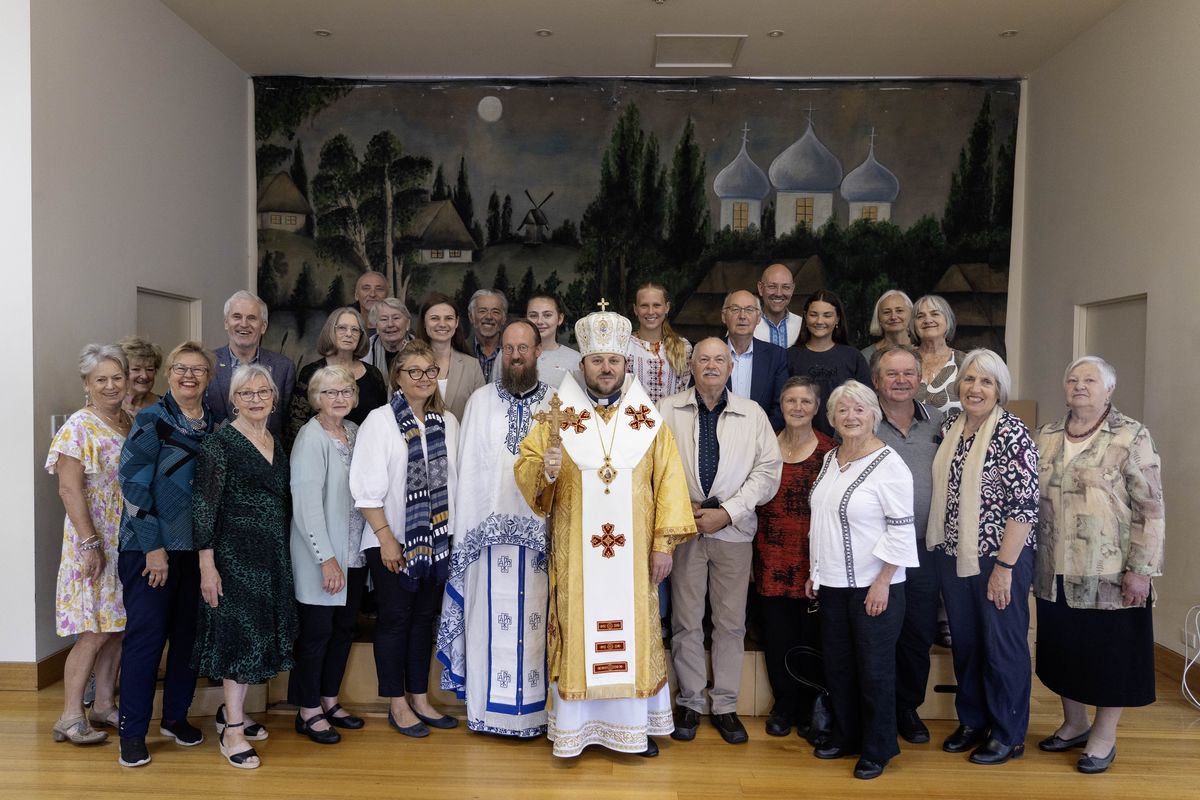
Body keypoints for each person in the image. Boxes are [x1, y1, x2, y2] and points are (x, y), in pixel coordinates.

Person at [514, 306, 696, 758]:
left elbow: (669, 483)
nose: (606, 368)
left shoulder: (648, 421)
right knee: (579, 632)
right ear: (583, 365)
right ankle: (577, 730)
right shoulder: (555, 415)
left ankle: (633, 729)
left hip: (634, 559)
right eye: (598, 361)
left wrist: (663, 545)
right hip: (577, 556)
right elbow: (528, 468)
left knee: (635, 633)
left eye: (614, 360)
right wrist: (547, 472)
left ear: (625, 364)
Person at [1033, 356, 1164, 774]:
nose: (1079, 385)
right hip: (1054, 568)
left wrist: (1141, 569)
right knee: (1064, 651)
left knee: (1111, 657)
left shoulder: (1131, 435)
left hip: (1110, 569)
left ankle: (1104, 737)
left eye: (1090, 379)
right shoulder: (1047, 434)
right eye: (1072, 378)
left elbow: (1151, 507)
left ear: (1109, 389)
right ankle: (1074, 723)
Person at [659, 338, 782, 745]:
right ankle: (692, 702)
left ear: (731, 367)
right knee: (686, 620)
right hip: (685, 528)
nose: (711, 366)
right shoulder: (667, 410)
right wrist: (684, 512)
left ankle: (726, 705)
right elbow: (654, 469)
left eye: (719, 360)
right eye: (703, 359)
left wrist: (728, 512)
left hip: (734, 529)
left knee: (730, 623)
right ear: (690, 366)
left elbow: (766, 472)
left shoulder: (752, 413)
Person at [437, 320, 552, 738]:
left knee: (537, 624)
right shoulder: (481, 401)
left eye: (523, 347)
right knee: (488, 624)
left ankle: (538, 717)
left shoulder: (557, 404)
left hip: (539, 540)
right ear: (501, 352)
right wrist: (464, 536)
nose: (516, 355)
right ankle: (487, 714)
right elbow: (468, 471)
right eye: (508, 348)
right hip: (485, 542)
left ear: (538, 351)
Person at [928, 349, 1039, 766]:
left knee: (1003, 646)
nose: (976, 388)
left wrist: (1006, 569)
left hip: (999, 559)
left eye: (986, 382)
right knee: (968, 645)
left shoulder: (1012, 433)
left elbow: (1024, 508)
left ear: (1000, 390)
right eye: (970, 380)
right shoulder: (951, 427)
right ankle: (973, 721)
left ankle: (1008, 733)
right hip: (954, 557)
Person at [807, 380, 918, 780]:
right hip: (832, 584)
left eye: (859, 410)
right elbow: (821, 521)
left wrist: (884, 581)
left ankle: (878, 747)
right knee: (838, 666)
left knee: (874, 670)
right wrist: (815, 571)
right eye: (842, 410)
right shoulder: (831, 458)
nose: (850, 417)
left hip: (875, 586)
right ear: (832, 417)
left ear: (874, 414)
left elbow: (902, 529)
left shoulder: (890, 464)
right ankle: (846, 735)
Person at [350, 339, 460, 738]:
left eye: (431, 371)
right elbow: (365, 490)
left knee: (423, 620)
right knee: (395, 620)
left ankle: (420, 696)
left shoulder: (447, 423)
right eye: (414, 371)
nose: (424, 378)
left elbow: (455, 483)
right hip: (391, 540)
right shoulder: (380, 421)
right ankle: (396, 702)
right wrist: (387, 539)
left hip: (435, 544)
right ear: (398, 376)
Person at [117, 341, 215, 768]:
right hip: (149, 550)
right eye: (181, 368)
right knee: (146, 642)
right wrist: (154, 547)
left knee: (188, 640)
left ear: (209, 378)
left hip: (195, 551)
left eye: (198, 370)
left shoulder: (214, 424)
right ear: (169, 374)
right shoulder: (151, 419)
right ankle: (132, 733)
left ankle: (175, 717)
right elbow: (134, 487)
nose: (189, 376)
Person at [193, 364, 296, 769]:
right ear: (233, 400)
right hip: (234, 558)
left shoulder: (274, 439)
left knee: (258, 638)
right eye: (246, 394)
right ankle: (232, 730)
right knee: (238, 640)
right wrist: (207, 564)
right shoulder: (221, 444)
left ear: (274, 397)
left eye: (262, 392)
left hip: (271, 555)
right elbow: (204, 507)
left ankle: (231, 714)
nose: (256, 399)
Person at [46, 344, 131, 746]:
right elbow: (68, 488)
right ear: (86, 384)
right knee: (93, 631)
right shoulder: (78, 427)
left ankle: (103, 704)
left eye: (117, 377)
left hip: (123, 540)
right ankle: (68, 716)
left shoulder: (127, 421)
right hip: (93, 540)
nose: (111, 385)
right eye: (102, 379)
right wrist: (91, 543)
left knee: (117, 628)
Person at [288, 365, 369, 745]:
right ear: (316, 398)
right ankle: (307, 711)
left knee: (342, 631)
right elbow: (306, 506)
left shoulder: (353, 433)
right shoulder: (311, 437)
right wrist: (326, 558)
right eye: (330, 392)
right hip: (322, 555)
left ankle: (330, 701)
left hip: (353, 554)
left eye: (346, 392)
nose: (340, 398)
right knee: (316, 634)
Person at [753, 377, 836, 738]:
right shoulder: (765, 445)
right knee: (776, 636)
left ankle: (808, 705)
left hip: (810, 561)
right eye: (791, 401)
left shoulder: (831, 451)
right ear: (781, 405)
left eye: (806, 401)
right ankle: (783, 705)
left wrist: (819, 566)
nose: (798, 407)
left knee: (809, 637)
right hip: (768, 557)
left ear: (816, 408)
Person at [871, 345, 944, 745]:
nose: (900, 380)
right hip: (875, 551)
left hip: (923, 547)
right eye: (891, 373)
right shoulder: (862, 421)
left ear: (920, 379)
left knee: (917, 632)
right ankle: (877, 708)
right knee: (879, 632)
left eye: (908, 373)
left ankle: (907, 708)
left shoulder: (941, 423)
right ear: (877, 380)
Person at [285, 307, 387, 448]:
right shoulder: (311, 373)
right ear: (330, 332)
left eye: (355, 330)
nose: (349, 334)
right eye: (342, 328)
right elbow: (296, 425)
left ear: (361, 336)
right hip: (321, 457)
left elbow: (382, 423)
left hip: (368, 456)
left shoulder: (374, 375)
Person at [208, 290, 296, 437]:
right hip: (217, 456)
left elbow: (286, 425)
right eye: (237, 317)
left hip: (267, 456)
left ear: (263, 327)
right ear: (226, 323)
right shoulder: (207, 364)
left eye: (252, 318)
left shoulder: (284, 368)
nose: (244, 324)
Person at [787, 289, 871, 437]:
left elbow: (867, 403)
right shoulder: (790, 356)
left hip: (846, 439)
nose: (819, 321)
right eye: (814, 315)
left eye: (827, 315)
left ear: (837, 319)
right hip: (800, 440)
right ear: (805, 317)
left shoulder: (853, 357)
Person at [722, 289, 789, 430]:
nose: (742, 316)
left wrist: (756, 436)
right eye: (735, 309)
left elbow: (781, 407)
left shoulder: (776, 356)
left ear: (759, 318)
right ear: (724, 316)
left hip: (761, 440)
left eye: (749, 310)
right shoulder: (708, 353)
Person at [415, 292, 485, 422]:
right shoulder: (408, 364)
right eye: (434, 318)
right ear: (424, 322)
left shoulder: (472, 366)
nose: (442, 324)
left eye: (448, 318)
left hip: (460, 441)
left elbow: (482, 415)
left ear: (457, 322)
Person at [625, 282, 692, 404]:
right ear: (635, 309)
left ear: (667, 307)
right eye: (644, 306)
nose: (650, 311)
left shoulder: (683, 347)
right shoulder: (625, 346)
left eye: (656, 305)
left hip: (671, 420)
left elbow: (685, 394)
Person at [912, 294, 967, 414]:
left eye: (935, 314)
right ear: (914, 325)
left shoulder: (965, 363)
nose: (927, 320)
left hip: (955, 432)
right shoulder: (904, 360)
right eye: (920, 316)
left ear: (948, 321)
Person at [525, 293, 581, 388]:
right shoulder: (508, 354)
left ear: (560, 319)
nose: (539, 321)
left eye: (547, 315)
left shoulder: (575, 360)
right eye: (533, 315)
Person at [754, 263, 802, 348]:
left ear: (792, 289)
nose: (779, 293)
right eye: (772, 286)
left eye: (786, 287)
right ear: (760, 288)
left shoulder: (802, 325)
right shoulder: (746, 325)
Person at [860, 290, 914, 364]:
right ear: (878, 318)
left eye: (899, 311)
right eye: (887, 312)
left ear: (911, 314)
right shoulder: (865, 356)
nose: (893, 317)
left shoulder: (925, 350)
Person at [364, 297, 413, 378]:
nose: (390, 324)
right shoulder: (365, 352)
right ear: (376, 326)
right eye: (384, 319)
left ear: (407, 324)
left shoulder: (421, 350)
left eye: (396, 318)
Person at [468, 289, 506, 380]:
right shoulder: (459, 350)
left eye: (495, 312)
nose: (489, 316)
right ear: (471, 317)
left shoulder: (514, 352)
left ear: (504, 318)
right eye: (482, 311)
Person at [118, 335, 162, 415]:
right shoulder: (110, 405)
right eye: (136, 369)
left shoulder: (165, 408)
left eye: (150, 369)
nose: (144, 376)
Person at [353, 270, 389, 335]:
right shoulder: (347, 332)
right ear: (356, 295)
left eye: (379, 289)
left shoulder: (396, 332)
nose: (372, 294)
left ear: (387, 296)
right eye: (366, 288)